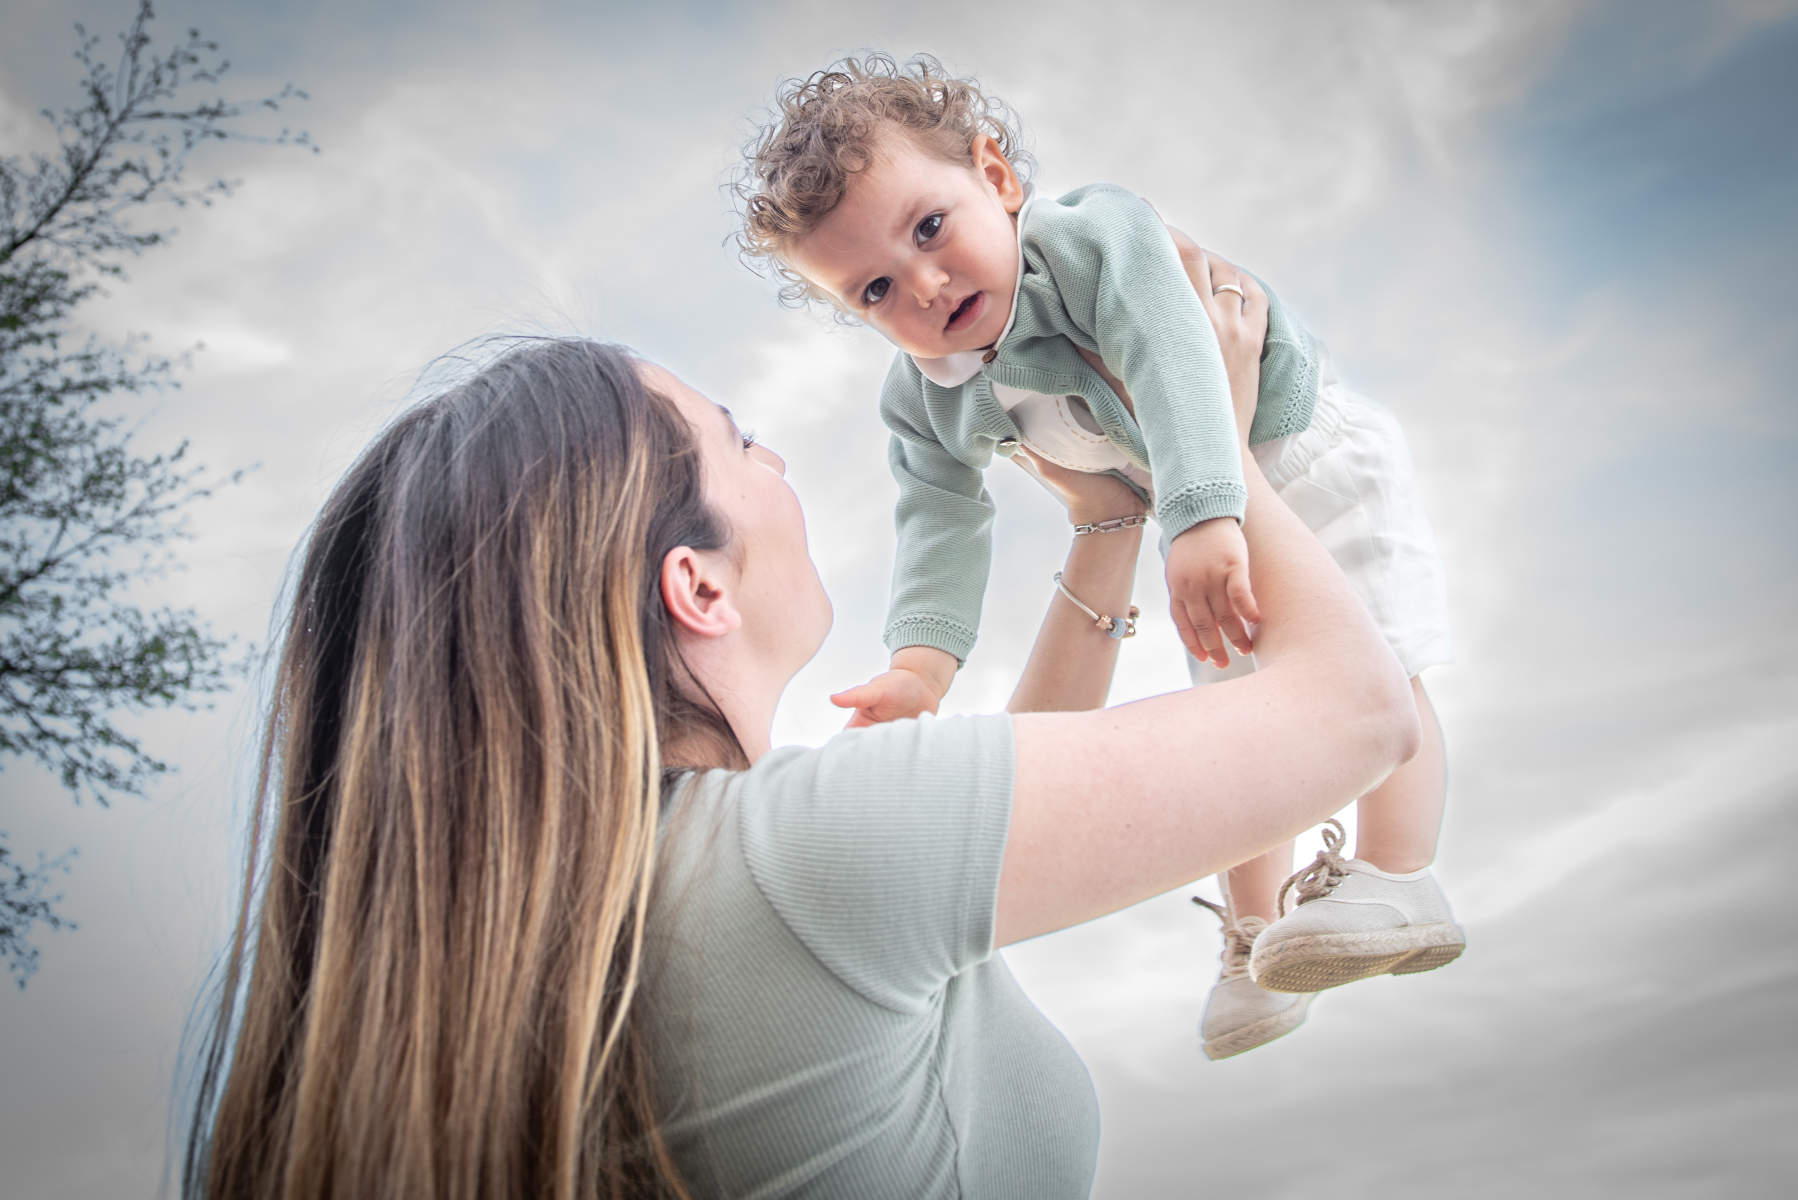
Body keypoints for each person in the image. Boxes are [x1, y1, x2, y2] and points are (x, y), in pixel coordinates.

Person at [183, 238, 1418, 1198]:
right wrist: (1205, 432)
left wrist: (1108, 523)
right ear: (697, 587)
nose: (774, 462)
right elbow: (1359, 714)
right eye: (739, 443)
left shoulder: (595, 921)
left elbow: (1002, 793)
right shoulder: (802, 862)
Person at [733, 53, 1464, 1057]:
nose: (926, 285)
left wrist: (1201, 514)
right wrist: (921, 666)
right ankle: (1256, 938)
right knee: (1240, 710)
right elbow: (938, 517)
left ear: (996, 177)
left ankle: (1400, 873)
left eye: (930, 228)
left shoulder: (1089, 241)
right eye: (875, 288)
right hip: (1187, 512)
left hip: (1293, 457)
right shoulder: (926, 395)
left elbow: (1171, 349)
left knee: (1376, 647)